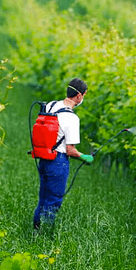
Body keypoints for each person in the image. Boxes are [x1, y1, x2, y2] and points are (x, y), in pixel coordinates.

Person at [33, 78, 93, 230]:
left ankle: (36, 230)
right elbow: (70, 150)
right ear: (79, 96)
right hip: (58, 162)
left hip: (44, 158)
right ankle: (45, 235)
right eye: (84, 95)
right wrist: (84, 157)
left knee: (43, 197)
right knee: (53, 200)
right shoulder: (72, 118)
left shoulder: (51, 105)